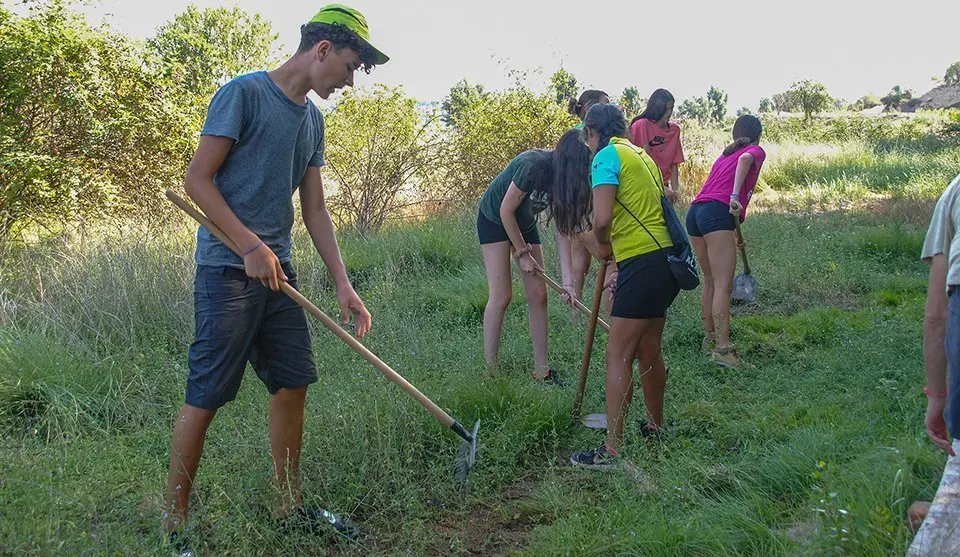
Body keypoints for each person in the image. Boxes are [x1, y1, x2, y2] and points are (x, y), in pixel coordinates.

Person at [162, 5, 385, 550]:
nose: (350, 81)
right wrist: (249, 245)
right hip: (228, 269)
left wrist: (343, 283)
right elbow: (197, 180)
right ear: (323, 50)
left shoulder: (312, 119)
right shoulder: (244, 94)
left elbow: (316, 211)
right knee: (208, 392)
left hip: (279, 271)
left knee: (293, 382)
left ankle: (290, 505)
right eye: (351, 67)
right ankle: (173, 523)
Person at [571, 104, 680, 469]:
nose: (587, 144)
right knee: (649, 352)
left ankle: (612, 451)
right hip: (665, 263)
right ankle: (655, 428)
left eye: (586, 137)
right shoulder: (642, 156)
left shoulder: (605, 157)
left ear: (592, 132)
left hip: (641, 262)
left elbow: (602, 219)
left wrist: (602, 247)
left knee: (618, 354)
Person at [477, 129, 592, 383]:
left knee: (539, 294)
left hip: (524, 223)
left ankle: (542, 372)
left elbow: (563, 231)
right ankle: (491, 372)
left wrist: (568, 284)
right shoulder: (534, 166)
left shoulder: (564, 183)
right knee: (501, 295)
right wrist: (522, 253)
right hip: (494, 219)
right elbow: (506, 211)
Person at [685, 115, 766, 370]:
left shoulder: (723, 156)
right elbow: (745, 161)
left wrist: (734, 236)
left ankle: (710, 340)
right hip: (717, 213)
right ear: (758, 136)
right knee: (723, 286)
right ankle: (723, 350)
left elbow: (713, 196)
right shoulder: (753, 151)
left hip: (696, 215)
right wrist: (734, 195)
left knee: (710, 282)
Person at [567, 90, 612, 299]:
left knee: (579, 265)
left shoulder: (572, 135)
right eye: (605, 105)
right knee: (610, 263)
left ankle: (575, 320)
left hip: (574, 210)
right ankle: (612, 318)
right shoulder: (591, 137)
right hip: (589, 209)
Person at [629, 89, 683, 203]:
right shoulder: (641, 125)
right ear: (658, 108)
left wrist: (675, 191)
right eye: (667, 109)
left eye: (672, 109)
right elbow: (641, 161)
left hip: (664, 184)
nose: (670, 113)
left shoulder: (675, 130)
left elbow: (674, 163)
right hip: (642, 184)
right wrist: (661, 188)